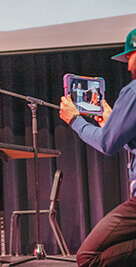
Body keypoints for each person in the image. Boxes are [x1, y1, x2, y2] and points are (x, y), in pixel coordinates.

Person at [59, 27, 136, 266]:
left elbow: (106, 144)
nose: (127, 65)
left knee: (87, 257)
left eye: (129, 56)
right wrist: (115, 124)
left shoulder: (133, 91)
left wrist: (75, 120)